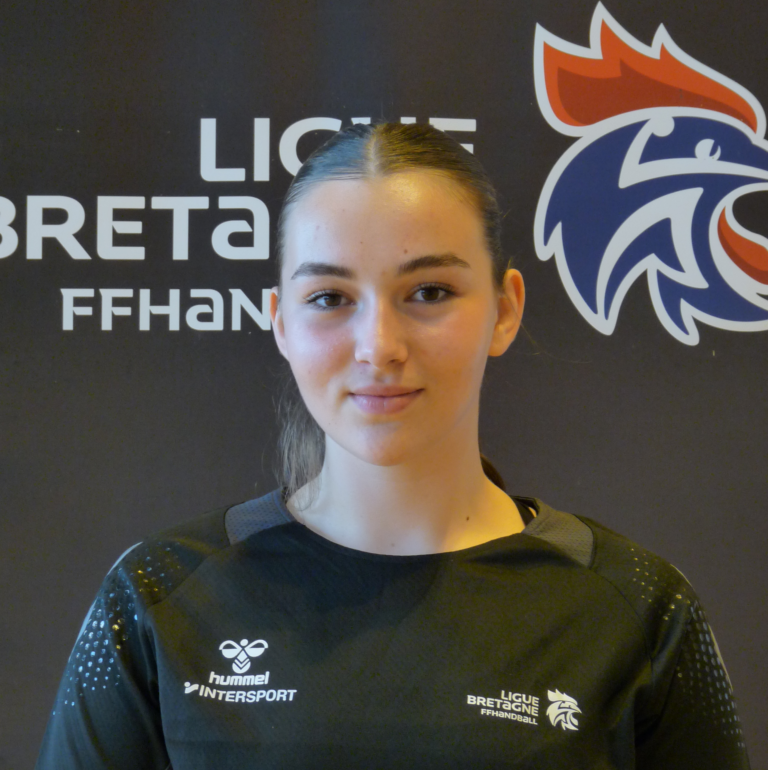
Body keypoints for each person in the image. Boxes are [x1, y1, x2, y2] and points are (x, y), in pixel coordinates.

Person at [36, 123, 751, 769]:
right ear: (281, 322)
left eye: (429, 292)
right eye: (330, 298)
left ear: (504, 310)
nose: (378, 346)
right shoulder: (158, 594)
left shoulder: (638, 605)